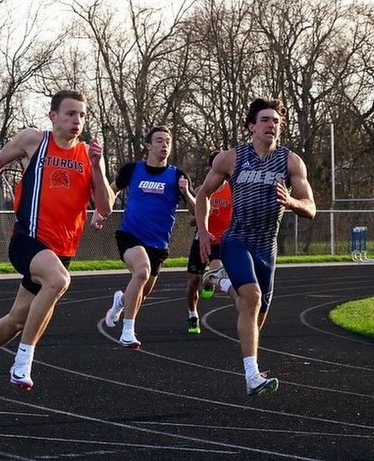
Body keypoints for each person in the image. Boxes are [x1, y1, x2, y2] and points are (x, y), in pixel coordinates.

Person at [0, 89, 114, 393]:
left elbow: (105, 208)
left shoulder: (89, 156)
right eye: (70, 114)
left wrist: (96, 166)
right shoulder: (34, 141)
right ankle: (23, 361)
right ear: (53, 117)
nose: (76, 120)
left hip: (61, 249)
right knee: (58, 281)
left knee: (15, 320)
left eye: (81, 115)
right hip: (28, 239)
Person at [195, 97, 316, 398]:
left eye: (276, 121)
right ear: (251, 126)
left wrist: (290, 201)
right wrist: (204, 231)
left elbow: (311, 207)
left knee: (254, 309)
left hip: (267, 246)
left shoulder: (291, 162)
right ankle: (252, 376)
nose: (271, 125)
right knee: (252, 297)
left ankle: (220, 281)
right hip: (237, 239)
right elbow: (202, 195)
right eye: (265, 120)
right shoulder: (230, 158)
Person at [100, 125, 195, 348]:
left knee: (141, 293)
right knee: (141, 272)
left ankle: (120, 301)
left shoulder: (178, 176)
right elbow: (111, 191)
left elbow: (194, 211)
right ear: (149, 146)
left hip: (158, 243)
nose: (164, 145)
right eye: (159, 141)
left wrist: (186, 193)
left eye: (168, 142)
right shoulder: (132, 170)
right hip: (130, 234)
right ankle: (128, 331)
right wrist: (101, 213)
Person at [185, 152, 233, 334]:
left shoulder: (233, 190)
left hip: (220, 241)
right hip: (201, 239)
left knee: (217, 271)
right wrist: (204, 215)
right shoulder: (202, 191)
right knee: (192, 282)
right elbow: (191, 221)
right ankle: (192, 314)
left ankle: (211, 280)